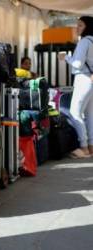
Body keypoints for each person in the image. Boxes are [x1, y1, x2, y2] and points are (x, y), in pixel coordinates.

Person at [58, 16, 93, 158]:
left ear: (87, 27)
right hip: (91, 79)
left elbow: (78, 64)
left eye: (80, 25)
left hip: (83, 79)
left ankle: (84, 147)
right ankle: (91, 147)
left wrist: (65, 57)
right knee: (90, 115)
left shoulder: (84, 41)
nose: (77, 28)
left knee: (74, 113)